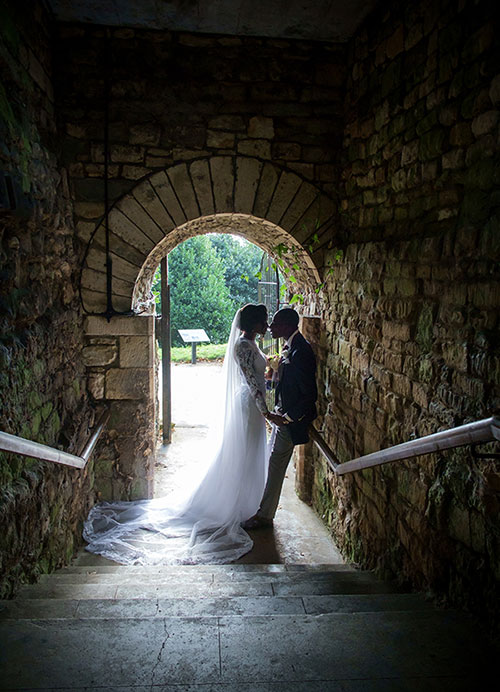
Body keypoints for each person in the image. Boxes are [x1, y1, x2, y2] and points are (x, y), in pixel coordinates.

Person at [83, 303, 274, 565]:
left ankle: (250, 505)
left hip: (253, 406)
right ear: (254, 324)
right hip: (249, 407)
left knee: (251, 455)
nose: (267, 325)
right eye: (264, 321)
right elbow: (252, 383)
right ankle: (234, 505)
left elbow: (258, 376)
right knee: (242, 455)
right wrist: (267, 412)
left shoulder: (250, 343)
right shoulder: (242, 346)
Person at [242, 308, 317, 529]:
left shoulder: (301, 351)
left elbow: (309, 393)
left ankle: (265, 516)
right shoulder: (290, 346)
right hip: (280, 415)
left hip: (288, 420)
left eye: (275, 323)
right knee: (272, 462)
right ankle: (263, 508)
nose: (270, 327)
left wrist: (289, 418)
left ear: (287, 325)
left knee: (275, 466)